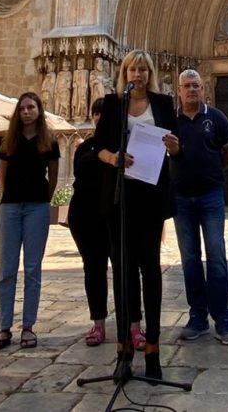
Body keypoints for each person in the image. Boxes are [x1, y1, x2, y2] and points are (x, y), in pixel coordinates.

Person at [95, 49, 177, 380]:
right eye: (133, 69)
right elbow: (96, 146)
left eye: (144, 69)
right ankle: (124, 351)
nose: (138, 74)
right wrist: (113, 158)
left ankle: (154, 349)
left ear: (151, 73)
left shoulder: (163, 104)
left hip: (151, 196)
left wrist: (175, 146)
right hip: (120, 198)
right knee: (123, 272)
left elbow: (176, 145)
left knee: (150, 271)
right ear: (124, 73)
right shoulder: (113, 104)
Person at [164, 69, 228, 344]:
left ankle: (222, 319)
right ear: (179, 90)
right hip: (181, 197)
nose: (191, 89)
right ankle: (197, 317)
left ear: (203, 88)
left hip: (210, 196)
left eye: (196, 85)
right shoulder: (169, 120)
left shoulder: (216, 117)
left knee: (216, 256)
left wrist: (213, 172)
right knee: (190, 259)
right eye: (186, 85)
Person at [68, 98, 142, 347]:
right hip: (86, 217)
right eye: (96, 113)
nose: (99, 117)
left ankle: (134, 325)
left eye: (105, 113)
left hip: (117, 215)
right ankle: (98, 323)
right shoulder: (85, 147)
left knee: (126, 269)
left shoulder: (126, 146)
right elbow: (82, 170)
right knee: (93, 268)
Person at [0, 92, 59, 351]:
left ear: (39, 111)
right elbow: (4, 176)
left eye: (31, 107)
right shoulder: (9, 140)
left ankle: (28, 326)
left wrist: (44, 200)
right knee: (6, 269)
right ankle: (4, 327)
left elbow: (52, 177)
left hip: (37, 207)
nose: (26, 112)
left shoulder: (49, 141)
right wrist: (9, 199)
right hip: (10, 208)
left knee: (32, 269)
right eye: (22, 109)